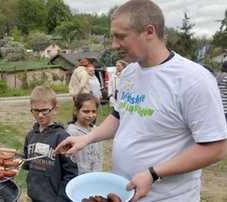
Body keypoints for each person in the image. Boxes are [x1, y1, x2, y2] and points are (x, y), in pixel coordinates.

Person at [54, 1, 227, 201]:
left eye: (120, 37)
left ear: (149, 32)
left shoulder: (193, 80)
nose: (113, 45)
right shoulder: (130, 72)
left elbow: (216, 148)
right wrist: (87, 138)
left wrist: (153, 173)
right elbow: (119, 117)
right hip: (124, 192)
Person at [22, 86, 77, 202]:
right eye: (36, 110)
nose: (40, 115)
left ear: (55, 109)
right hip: (34, 195)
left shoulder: (62, 137)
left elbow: (71, 173)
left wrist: (62, 199)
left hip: (54, 198)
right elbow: (27, 162)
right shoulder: (30, 136)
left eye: (45, 110)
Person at [66, 93, 103, 175]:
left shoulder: (96, 130)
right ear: (76, 111)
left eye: (93, 111)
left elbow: (99, 155)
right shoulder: (71, 132)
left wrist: (98, 173)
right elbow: (69, 160)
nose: (90, 115)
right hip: (79, 178)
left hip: (95, 176)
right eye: (86, 111)